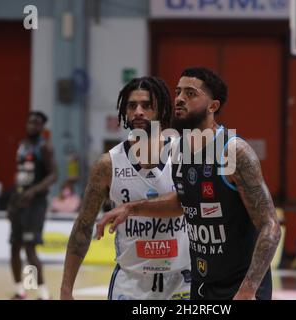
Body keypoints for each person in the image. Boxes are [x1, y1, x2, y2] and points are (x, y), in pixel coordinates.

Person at [96, 67, 281, 300]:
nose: (180, 99)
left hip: (240, 287)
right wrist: (131, 208)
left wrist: (249, 289)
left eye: (190, 93)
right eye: (178, 92)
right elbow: (185, 200)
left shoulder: (233, 152)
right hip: (201, 282)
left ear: (213, 106)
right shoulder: (181, 148)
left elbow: (271, 225)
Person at [60, 77, 191, 300]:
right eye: (132, 106)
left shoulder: (184, 153)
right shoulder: (107, 165)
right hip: (131, 284)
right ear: (124, 111)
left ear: (161, 110)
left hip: (182, 281)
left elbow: (188, 204)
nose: (138, 111)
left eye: (147, 105)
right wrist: (66, 289)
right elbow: (83, 226)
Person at [8, 111, 57, 300]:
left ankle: (43, 293)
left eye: (36, 123)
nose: (31, 125)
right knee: (14, 246)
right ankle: (21, 290)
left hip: (35, 204)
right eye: (29, 121)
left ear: (42, 127)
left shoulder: (44, 147)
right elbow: (20, 176)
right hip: (18, 202)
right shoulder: (22, 145)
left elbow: (53, 175)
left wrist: (33, 191)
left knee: (30, 249)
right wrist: (13, 201)